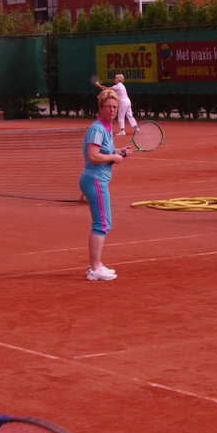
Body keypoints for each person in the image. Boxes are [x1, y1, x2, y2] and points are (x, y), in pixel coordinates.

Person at [79, 88, 129, 281]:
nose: (112, 110)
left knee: (103, 222)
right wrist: (114, 157)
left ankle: (96, 265)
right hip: (95, 180)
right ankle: (94, 269)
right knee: (101, 223)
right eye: (108, 106)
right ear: (100, 108)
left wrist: (118, 151)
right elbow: (93, 155)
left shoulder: (106, 128)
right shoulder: (98, 128)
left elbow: (104, 151)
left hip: (97, 180)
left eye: (115, 107)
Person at [96, 73, 137, 139]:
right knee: (129, 115)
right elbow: (109, 90)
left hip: (123, 102)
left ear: (119, 79)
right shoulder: (122, 86)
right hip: (128, 101)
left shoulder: (118, 86)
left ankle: (122, 131)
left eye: (115, 78)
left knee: (121, 116)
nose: (114, 79)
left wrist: (99, 86)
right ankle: (136, 128)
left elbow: (108, 89)